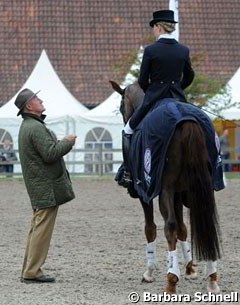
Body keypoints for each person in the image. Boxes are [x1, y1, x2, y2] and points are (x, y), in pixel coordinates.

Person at [119, 10, 195, 187]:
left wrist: (153, 91)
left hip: (154, 99)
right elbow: (190, 76)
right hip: (178, 98)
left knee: (128, 130)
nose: (153, 30)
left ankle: (129, 172)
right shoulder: (183, 50)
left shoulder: (151, 50)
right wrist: (177, 88)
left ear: (159, 27)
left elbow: (143, 80)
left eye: (154, 27)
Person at [14, 88, 77, 283]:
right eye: (35, 98)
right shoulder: (34, 127)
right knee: (41, 231)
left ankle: (29, 269)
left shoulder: (30, 126)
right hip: (45, 189)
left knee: (37, 228)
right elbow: (50, 154)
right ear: (29, 106)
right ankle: (32, 272)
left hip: (40, 187)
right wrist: (67, 142)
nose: (40, 100)